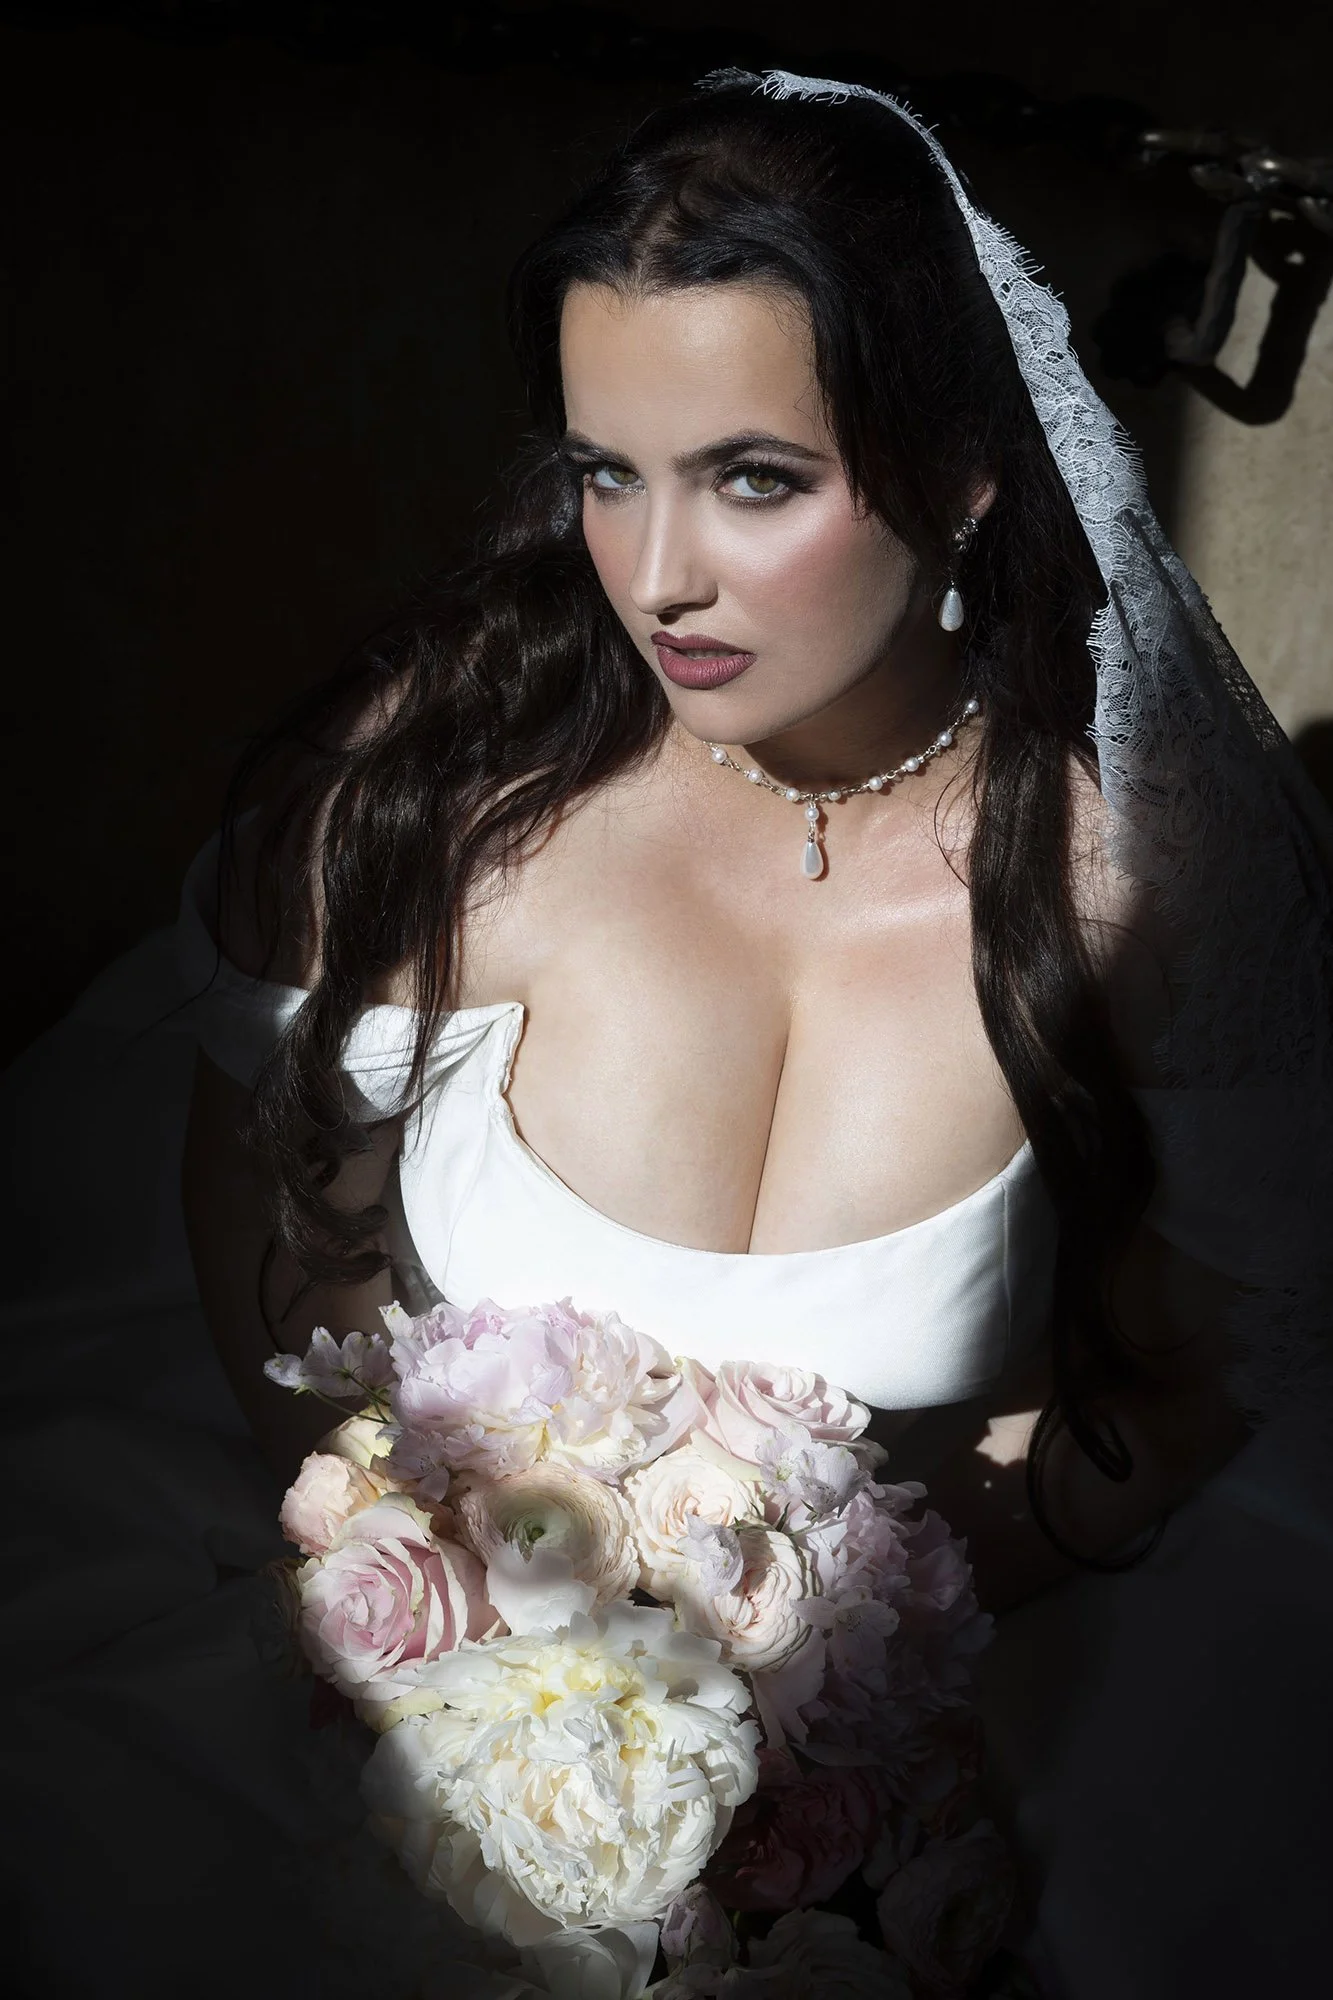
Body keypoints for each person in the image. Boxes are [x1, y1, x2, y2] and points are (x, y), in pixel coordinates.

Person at [6, 66, 1331, 2000]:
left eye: (755, 479)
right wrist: (444, 1623)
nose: (657, 577)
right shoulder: (447, 800)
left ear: (963, 469)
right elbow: (277, 1232)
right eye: (605, 471)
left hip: (952, 1684)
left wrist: (825, 1670)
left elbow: (1204, 1361)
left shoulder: (1138, 879)